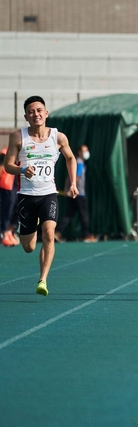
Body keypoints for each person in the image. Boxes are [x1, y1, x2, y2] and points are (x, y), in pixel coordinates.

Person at [3, 95, 79, 296]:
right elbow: (8, 166)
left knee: (49, 234)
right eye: (31, 112)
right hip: (26, 196)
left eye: (39, 110)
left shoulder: (58, 137)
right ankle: (27, 230)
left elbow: (70, 158)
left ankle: (42, 280)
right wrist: (22, 170)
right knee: (28, 247)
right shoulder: (18, 137)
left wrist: (72, 183)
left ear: (46, 113)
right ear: (26, 116)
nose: (35, 114)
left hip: (48, 194)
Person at [56, 144, 98, 243]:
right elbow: (76, 177)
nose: (86, 153)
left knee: (70, 213)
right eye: (84, 151)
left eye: (87, 150)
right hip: (78, 194)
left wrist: (68, 189)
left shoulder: (78, 162)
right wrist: (72, 189)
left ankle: (57, 232)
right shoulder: (79, 163)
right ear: (79, 152)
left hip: (74, 193)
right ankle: (87, 235)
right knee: (83, 215)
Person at [0, 147, 20, 247]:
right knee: (7, 209)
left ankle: (10, 231)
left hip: (18, 185)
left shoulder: (25, 150)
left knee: (18, 208)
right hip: (7, 186)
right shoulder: (5, 152)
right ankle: (4, 234)